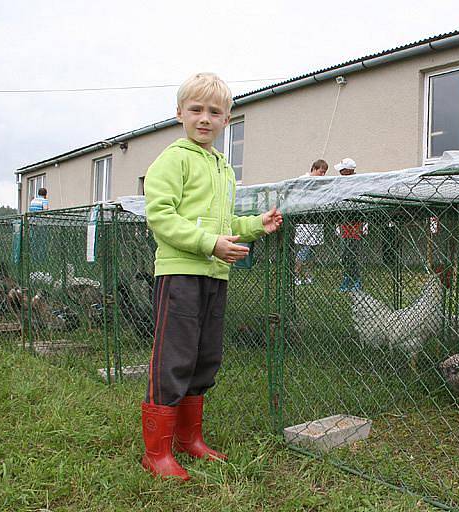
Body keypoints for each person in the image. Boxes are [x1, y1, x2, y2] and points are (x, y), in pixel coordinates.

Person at [142, 72, 283, 481]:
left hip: (214, 276)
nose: (205, 118)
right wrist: (210, 244)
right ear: (180, 113)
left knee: (205, 357)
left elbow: (222, 222)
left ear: (227, 119)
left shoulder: (224, 168)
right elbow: (161, 217)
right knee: (174, 358)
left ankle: (189, 440)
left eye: (215, 112)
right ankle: (157, 453)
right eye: (196, 110)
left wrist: (255, 223)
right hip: (180, 274)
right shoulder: (173, 159)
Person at [294, 159, 328, 285]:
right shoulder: (303, 180)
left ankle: (308, 275)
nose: (322, 175)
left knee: (312, 251)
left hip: (316, 220)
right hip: (305, 220)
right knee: (304, 248)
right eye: (321, 172)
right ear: (314, 168)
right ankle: (296, 274)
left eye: (324, 173)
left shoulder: (321, 182)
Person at [335, 158, 365, 291]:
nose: (340, 171)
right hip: (343, 222)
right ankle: (347, 278)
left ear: (349, 170)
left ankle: (356, 280)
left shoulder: (357, 182)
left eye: (342, 169)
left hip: (355, 224)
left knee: (353, 253)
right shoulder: (342, 182)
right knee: (344, 254)